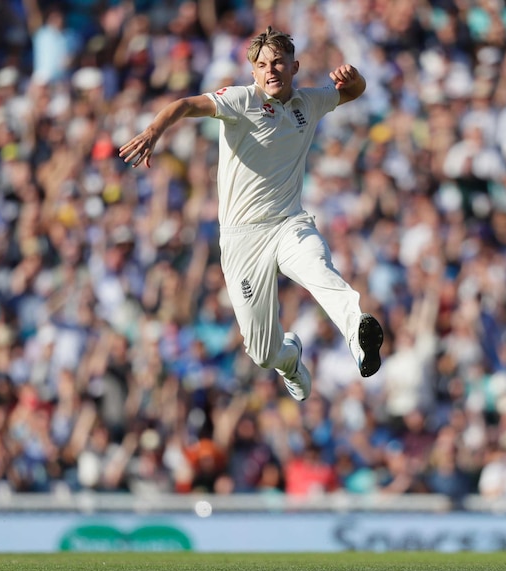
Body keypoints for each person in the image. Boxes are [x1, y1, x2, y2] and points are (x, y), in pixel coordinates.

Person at [119, 27, 383, 401]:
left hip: (289, 223)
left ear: (295, 66)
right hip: (243, 239)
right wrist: (152, 131)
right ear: (253, 72)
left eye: (277, 63)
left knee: (320, 270)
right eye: (261, 65)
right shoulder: (242, 100)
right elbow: (186, 105)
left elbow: (352, 93)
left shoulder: (309, 102)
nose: (270, 70)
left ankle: (359, 336)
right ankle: (289, 360)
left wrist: (354, 80)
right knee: (261, 353)